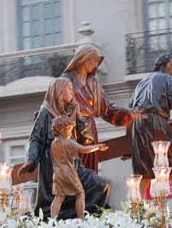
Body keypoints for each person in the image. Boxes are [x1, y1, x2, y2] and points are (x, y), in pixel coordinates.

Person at [14, 76, 110, 219]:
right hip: (55, 166)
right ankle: (65, 218)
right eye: (69, 89)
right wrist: (31, 160)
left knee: (101, 185)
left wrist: (77, 114)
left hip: (74, 165)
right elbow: (35, 139)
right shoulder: (45, 112)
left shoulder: (70, 111)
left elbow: (87, 139)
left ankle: (84, 217)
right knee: (65, 195)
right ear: (59, 92)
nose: (72, 92)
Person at [61, 44, 141, 173]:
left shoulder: (93, 84)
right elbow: (56, 105)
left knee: (89, 171)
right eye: (94, 61)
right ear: (84, 59)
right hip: (71, 130)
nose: (96, 65)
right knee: (73, 171)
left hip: (89, 131)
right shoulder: (65, 80)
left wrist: (128, 113)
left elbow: (107, 108)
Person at [129, 52, 172, 211]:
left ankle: (137, 217)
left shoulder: (141, 82)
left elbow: (129, 114)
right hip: (156, 122)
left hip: (137, 128)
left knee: (143, 173)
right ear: (163, 65)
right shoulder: (166, 78)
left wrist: (129, 145)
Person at [50, 115, 108, 219]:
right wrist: (97, 147)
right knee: (80, 193)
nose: (71, 133)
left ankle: (53, 219)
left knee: (59, 197)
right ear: (62, 130)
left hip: (58, 173)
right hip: (69, 173)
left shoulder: (54, 143)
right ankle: (81, 218)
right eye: (69, 130)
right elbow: (84, 149)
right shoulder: (68, 142)